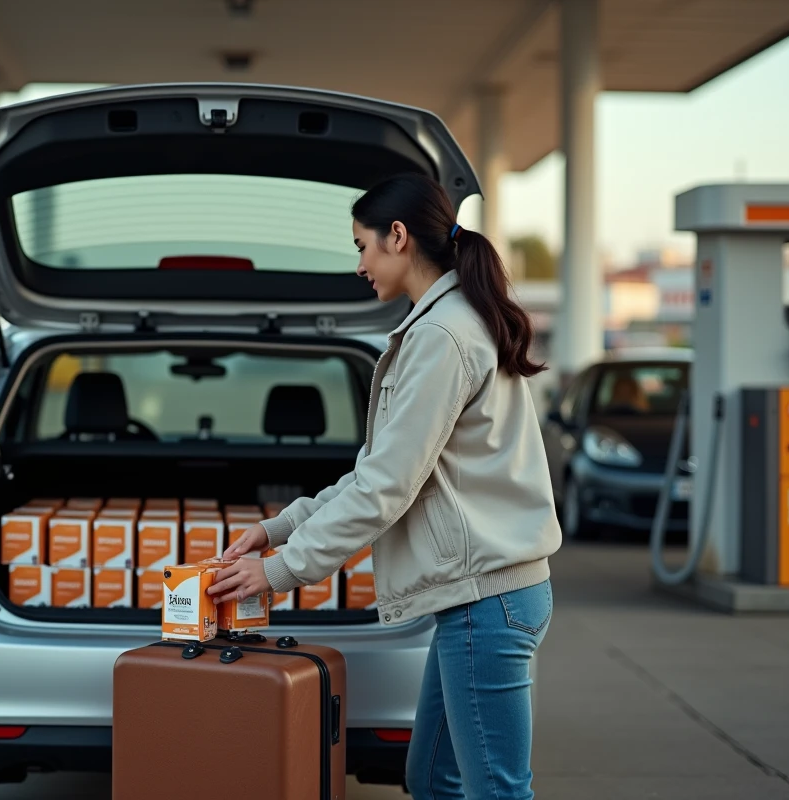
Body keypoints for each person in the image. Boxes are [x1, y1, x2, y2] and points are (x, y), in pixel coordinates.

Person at [208, 173, 563, 799]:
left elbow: (386, 488)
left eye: (361, 245)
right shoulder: (449, 322)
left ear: (397, 237)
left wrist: (282, 570)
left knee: (496, 792)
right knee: (431, 778)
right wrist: (277, 529)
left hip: (488, 599)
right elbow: (377, 471)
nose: (359, 264)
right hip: (477, 599)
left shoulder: (441, 336)